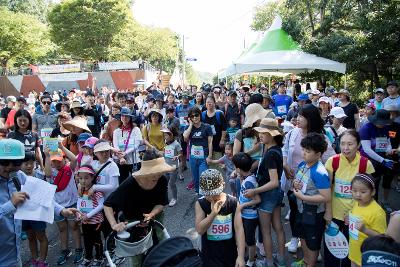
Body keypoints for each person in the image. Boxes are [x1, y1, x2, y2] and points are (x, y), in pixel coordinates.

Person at [0, 139, 79, 267]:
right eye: (4, 162)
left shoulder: (18, 176)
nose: (10, 166)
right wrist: (10, 205)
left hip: (14, 254)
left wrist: (61, 210)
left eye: (16, 162)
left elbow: (40, 195)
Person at [104, 149, 174, 265]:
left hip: (155, 216)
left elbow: (161, 202)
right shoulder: (130, 183)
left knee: (160, 246)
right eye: (153, 172)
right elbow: (108, 204)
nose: (157, 176)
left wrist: (151, 214)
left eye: (160, 171)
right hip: (133, 221)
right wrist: (114, 225)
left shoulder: (162, 179)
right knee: (137, 255)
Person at [282, 104, 335, 254]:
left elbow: (330, 161)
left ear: (310, 119)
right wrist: (285, 164)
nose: (297, 119)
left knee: (312, 217)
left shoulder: (321, 138)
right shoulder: (292, 133)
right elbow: (285, 149)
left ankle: (313, 249)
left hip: (314, 188)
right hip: (294, 182)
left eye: (301, 116)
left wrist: (324, 181)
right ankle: (295, 237)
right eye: (298, 115)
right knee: (294, 211)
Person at [323, 130, 375, 267]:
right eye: (343, 144)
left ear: (358, 145)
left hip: (355, 218)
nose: (346, 148)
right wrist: (328, 212)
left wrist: (355, 214)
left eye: (350, 144)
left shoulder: (365, 164)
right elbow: (327, 189)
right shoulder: (332, 161)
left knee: (350, 252)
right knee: (331, 249)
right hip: (334, 214)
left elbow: (369, 195)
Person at [244, 118, 286, 267]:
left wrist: (254, 190)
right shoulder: (275, 149)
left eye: (263, 133)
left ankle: (268, 261)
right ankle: (280, 260)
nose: (260, 135)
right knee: (278, 227)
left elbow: (273, 181)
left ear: (272, 134)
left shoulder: (269, 154)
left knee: (266, 230)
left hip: (268, 195)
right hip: (276, 194)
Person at [291, 133, 331, 267]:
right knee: (302, 236)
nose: (303, 153)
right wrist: (295, 184)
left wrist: (303, 197)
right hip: (302, 208)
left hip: (314, 212)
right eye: (303, 149)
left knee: (313, 242)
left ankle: (311, 264)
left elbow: (326, 197)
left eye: (308, 151)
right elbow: (299, 181)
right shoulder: (303, 164)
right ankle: (306, 261)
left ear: (318, 154)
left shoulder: (320, 172)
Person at [194, 169, 246, 267]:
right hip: (209, 254)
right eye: (207, 194)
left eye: (214, 193)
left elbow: (239, 230)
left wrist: (241, 256)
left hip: (229, 253)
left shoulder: (233, 202)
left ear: (223, 186)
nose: (211, 198)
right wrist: (213, 213)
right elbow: (200, 230)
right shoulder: (200, 203)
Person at [43, 148, 83, 265]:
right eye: (54, 161)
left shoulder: (69, 168)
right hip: (57, 206)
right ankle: (64, 250)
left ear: (64, 159)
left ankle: (78, 249)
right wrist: (46, 155)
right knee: (62, 229)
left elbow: (75, 158)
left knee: (74, 227)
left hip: (72, 203)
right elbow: (47, 174)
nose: (57, 163)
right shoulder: (51, 170)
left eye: (59, 160)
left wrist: (61, 145)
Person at [347, 174, 387, 267]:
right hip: (354, 251)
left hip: (368, 254)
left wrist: (365, 230)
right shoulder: (357, 203)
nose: (358, 194)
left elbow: (383, 237)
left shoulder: (377, 212)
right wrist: (349, 218)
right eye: (354, 191)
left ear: (373, 192)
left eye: (363, 191)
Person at [359, 109, 394, 211]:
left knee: (387, 175)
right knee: (372, 182)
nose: (382, 125)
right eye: (380, 123)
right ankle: (371, 205)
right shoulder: (366, 128)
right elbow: (367, 149)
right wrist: (382, 160)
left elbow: (387, 143)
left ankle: (382, 202)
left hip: (382, 156)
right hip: (368, 159)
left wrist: (389, 150)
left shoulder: (386, 128)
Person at [20, 152, 49, 267]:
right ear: (20, 164)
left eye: (31, 163)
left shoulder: (39, 174)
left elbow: (48, 175)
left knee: (41, 236)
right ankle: (34, 259)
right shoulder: (17, 177)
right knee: (30, 236)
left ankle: (42, 261)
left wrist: (47, 156)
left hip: (38, 213)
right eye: (25, 163)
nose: (28, 166)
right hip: (23, 212)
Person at [231, 152, 260, 267]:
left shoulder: (249, 182)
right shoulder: (248, 177)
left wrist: (242, 206)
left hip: (250, 216)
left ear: (238, 168)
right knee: (245, 237)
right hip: (245, 215)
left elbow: (257, 200)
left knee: (250, 240)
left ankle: (251, 260)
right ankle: (248, 255)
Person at [76, 165, 105, 267]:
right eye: (81, 178)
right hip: (85, 221)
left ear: (92, 177)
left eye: (86, 178)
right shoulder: (81, 190)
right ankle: (88, 257)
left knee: (96, 240)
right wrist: (78, 213)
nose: (83, 181)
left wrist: (88, 215)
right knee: (87, 240)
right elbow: (79, 202)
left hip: (95, 221)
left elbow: (101, 205)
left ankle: (99, 258)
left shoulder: (96, 190)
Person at [183, 106, 213, 193]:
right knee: (195, 178)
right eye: (192, 116)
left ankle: (204, 196)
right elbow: (185, 138)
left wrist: (210, 156)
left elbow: (210, 142)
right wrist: (191, 125)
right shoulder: (188, 127)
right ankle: (198, 193)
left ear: (200, 115)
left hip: (204, 156)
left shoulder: (207, 127)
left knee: (203, 176)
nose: (195, 117)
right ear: (190, 118)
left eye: (196, 115)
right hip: (193, 157)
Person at [113, 107, 143, 184]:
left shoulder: (136, 130)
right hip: (121, 161)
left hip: (134, 160)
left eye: (127, 116)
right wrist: (121, 156)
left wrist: (125, 153)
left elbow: (136, 145)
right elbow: (115, 145)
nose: (124, 118)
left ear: (130, 117)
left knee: (137, 183)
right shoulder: (116, 131)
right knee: (123, 183)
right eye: (123, 116)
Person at [201, 95, 227, 171]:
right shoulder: (203, 115)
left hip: (217, 142)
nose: (209, 104)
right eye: (207, 102)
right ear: (205, 104)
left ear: (214, 103)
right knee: (207, 164)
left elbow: (224, 128)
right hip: (207, 143)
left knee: (217, 164)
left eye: (211, 102)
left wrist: (222, 140)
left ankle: (218, 180)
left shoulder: (219, 114)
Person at [161, 127, 182, 207]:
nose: (165, 137)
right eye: (164, 135)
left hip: (173, 167)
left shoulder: (176, 144)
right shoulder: (165, 142)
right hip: (165, 166)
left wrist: (177, 156)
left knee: (171, 183)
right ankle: (165, 198)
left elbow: (181, 154)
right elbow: (164, 153)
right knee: (165, 183)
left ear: (171, 135)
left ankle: (174, 198)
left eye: (166, 135)